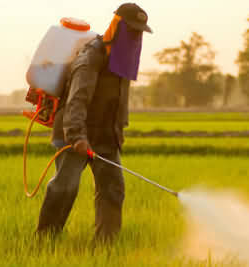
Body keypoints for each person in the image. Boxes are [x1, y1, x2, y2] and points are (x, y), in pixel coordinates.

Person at [36, 3, 152, 243]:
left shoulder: (123, 61)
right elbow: (77, 99)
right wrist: (77, 136)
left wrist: (118, 132)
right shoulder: (91, 57)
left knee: (113, 189)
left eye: (139, 31)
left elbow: (120, 102)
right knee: (65, 187)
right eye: (131, 29)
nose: (135, 35)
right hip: (75, 133)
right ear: (116, 25)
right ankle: (45, 241)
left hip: (105, 137)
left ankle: (105, 247)